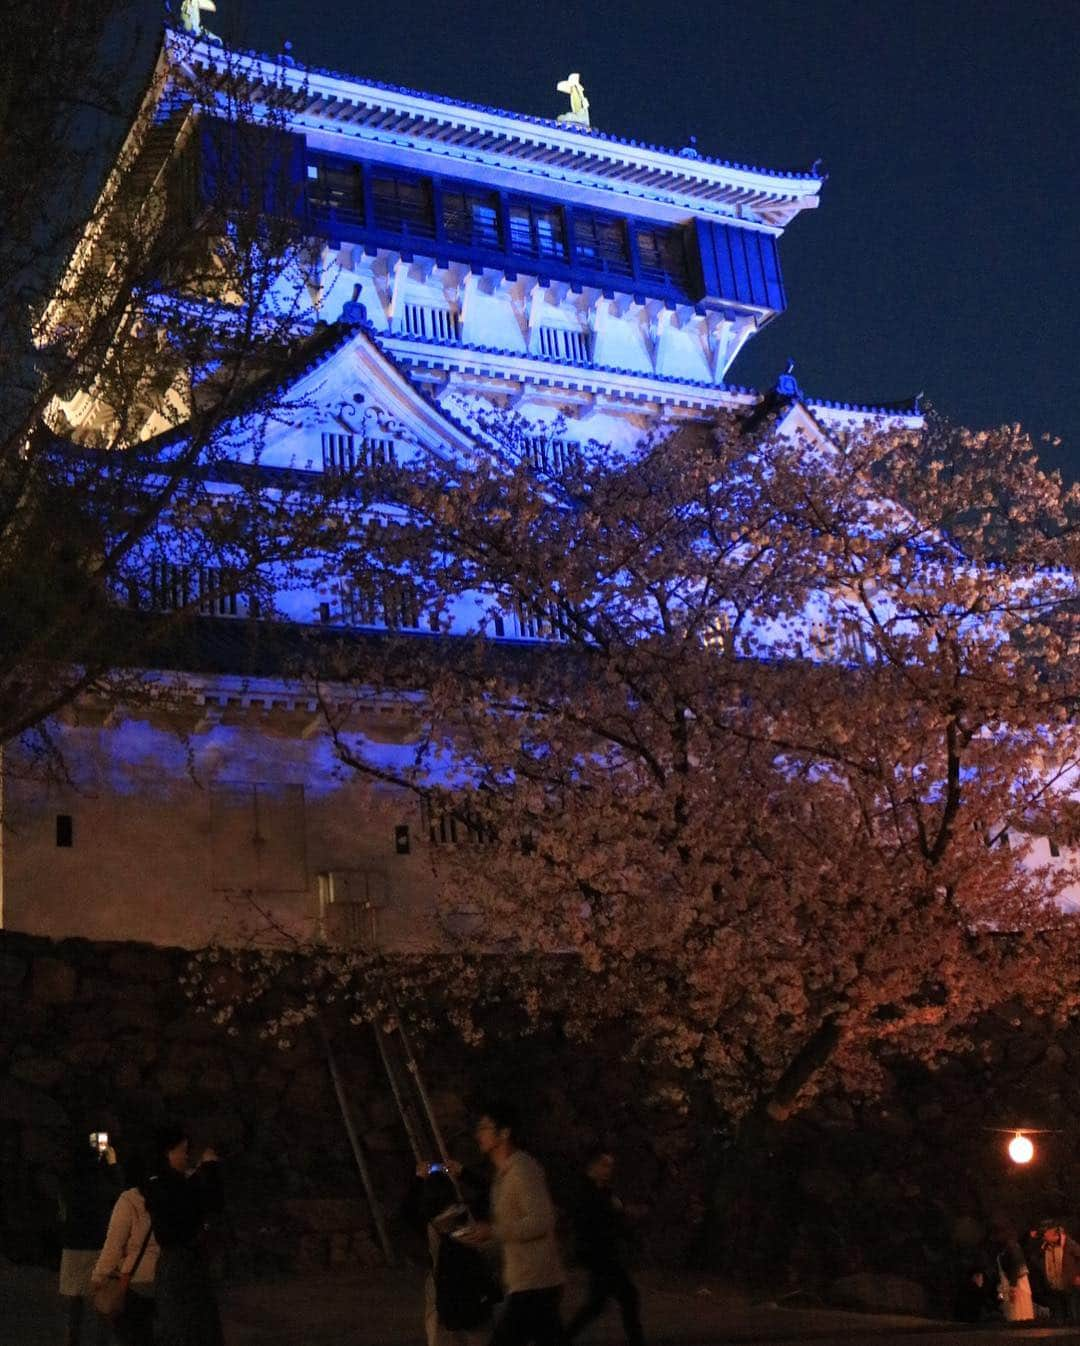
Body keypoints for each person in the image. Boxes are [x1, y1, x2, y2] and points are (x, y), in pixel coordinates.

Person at [458, 1101, 565, 1346]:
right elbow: (511, 1229)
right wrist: (481, 1238)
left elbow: (541, 1221)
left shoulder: (523, 1170)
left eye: (485, 1127)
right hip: (528, 1281)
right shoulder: (503, 1174)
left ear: (504, 1133)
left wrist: (493, 1231)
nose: (479, 1134)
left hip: (536, 1282)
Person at [145, 1126, 224, 1346]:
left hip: (187, 1262)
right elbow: (187, 1209)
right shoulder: (162, 1185)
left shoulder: (173, 1184)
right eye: (183, 1150)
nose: (187, 1156)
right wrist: (207, 1171)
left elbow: (212, 1204)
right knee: (184, 1327)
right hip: (179, 1264)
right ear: (167, 1153)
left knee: (194, 1327)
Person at [565, 1149, 644, 1346]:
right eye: (605, 1164)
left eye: (610, 1165)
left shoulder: (604, 1192)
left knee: (599, 1303)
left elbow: (614, 1221)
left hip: (605, 1253)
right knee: (626, 1296)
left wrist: (630, 1235)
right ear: (592, 1166)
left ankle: (562, 1338)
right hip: (598, 1253)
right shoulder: (586, 1191)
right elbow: (596, 1220)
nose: (609, 1170)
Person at [58, 1133, 123, 1346]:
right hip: (97, 1244)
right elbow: (119, 1193)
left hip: (74, 1246)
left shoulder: (69, 1179)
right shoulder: (100, 1179)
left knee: (74, 1308)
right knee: (101, 1306)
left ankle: (72, 1343)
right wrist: (112, 1164)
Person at [90, 1156, 159, 1346]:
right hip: (168, 1277)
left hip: (137, 1281)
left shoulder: (130, 1200)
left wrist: (99, 1276)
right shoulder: (172, 1197)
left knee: (133, 1335)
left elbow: (114, 1245)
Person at [992, 1218, 1035, 1323]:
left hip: (1016, 1283)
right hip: (1013, 1282)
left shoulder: (1012, 1248)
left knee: (1018, 1312)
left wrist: (1013, 1287)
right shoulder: (1009, 1248)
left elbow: (1015, 1266)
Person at [1036, 1222, 1080, 1323]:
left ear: (1054, 1233)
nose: (1044, 1236)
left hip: (1069, 1283)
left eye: (1046, 1233)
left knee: (1073, 1310)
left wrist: (1077, 1275)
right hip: (1055, 1284)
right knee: (1059, 1312)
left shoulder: (1069, 1244)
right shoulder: (1045, 1247)